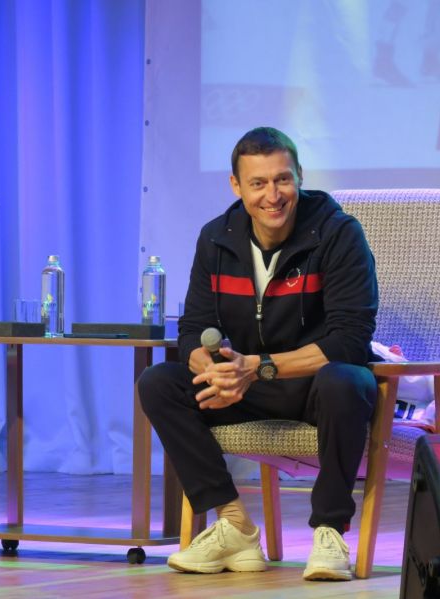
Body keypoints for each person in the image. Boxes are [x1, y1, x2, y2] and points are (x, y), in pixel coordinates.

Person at [138, 127, 377, 581]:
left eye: (283, 179)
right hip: (246, 387)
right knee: (159, 383)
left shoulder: (338, 233)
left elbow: (350, 340)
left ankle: (329, 530)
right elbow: (191, 331)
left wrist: (258, 368)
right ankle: (234, 525)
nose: (273, 195)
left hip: (314, 389)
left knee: (347, 379)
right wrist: (214, 370)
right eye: (258, 183)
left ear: (299, 176)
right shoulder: (216, 239)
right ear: (236, 185)